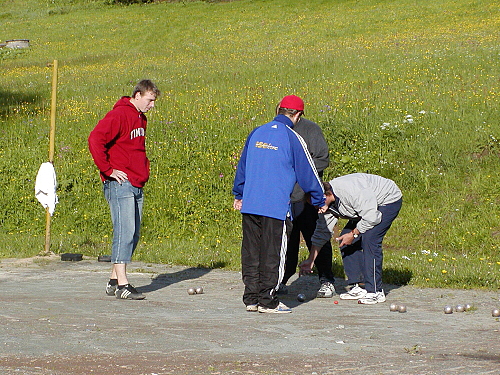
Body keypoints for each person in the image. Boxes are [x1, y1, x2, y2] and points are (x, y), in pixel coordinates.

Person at [232, 95, 327, 314]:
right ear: (298, 115)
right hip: (275, 207)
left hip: (251, 204)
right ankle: (268, 301)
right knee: (274, 253)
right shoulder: (292, 137)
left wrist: (239, 193)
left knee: (252, 252)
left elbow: (242, 167)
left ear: (279, 110)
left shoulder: (256, 133)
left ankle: (251, 298)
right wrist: (318, 198)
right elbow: (308, 172)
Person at [88, 79, 160, 300]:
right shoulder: (119, 115)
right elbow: (95, 139)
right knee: (124, 231)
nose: (152, 105)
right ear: (137, 96)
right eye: (149, 100)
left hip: (137, 182)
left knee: (134, 234)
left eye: (154, 101)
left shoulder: (141, 119)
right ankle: (123, 285)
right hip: (120, 184)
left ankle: (112, 280)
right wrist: (108, 170)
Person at [299, 173, 402, 304]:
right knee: (345, 239)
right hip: (364, 208)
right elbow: (322, 233)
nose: (316, 208)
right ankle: (358, 286)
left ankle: (375, 291)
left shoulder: (352, 192)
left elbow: (372, 217)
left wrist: (354, 234)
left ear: (327, 195)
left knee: (370, 239)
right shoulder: (325, 206)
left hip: (387, 199)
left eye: (316, 204)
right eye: (312, 205)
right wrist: (311, 259)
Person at [279, 116, 336, 298]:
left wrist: (301, 171)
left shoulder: (311, 129)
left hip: (308, 197)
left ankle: (327, 280)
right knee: (286, 240)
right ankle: (281, 278)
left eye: (289, 112)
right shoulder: (278, 130)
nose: (285, 114)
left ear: (298, 114)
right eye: (282, 110)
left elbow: (322, 159)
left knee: (317, 237)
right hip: (285, 198)